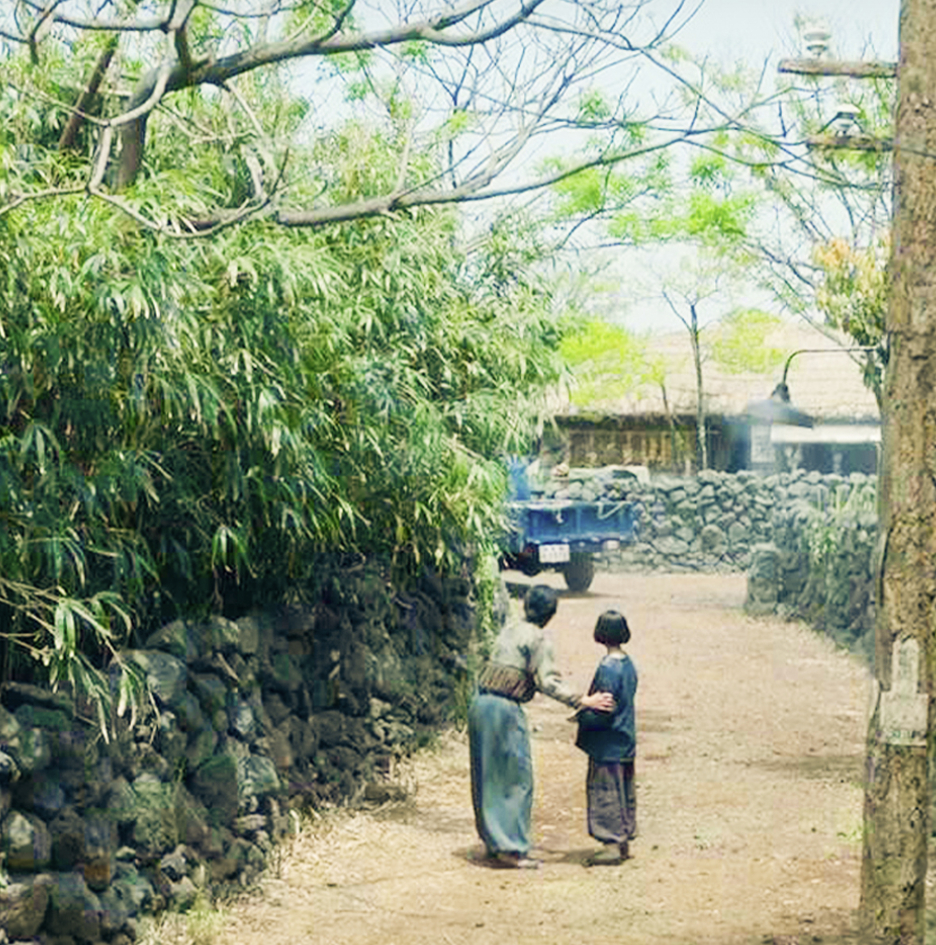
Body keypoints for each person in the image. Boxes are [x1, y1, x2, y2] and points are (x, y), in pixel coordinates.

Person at [468, 584, 614, 869]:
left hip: (480, 704)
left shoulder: (509, 629)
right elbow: (547, 681)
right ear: (550, 614)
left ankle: (493, 843)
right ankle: (511, 848)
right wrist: (582, 700)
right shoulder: (537, 639)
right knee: (515, 778)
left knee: (487, 776)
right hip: (505, 709)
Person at [575, 608, 638, 866]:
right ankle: (623, 838)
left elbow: (604, 706)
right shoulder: (628, 664)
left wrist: (581, 716)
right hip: (625, 735)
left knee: (605, 790)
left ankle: (610, 842)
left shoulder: (607, 668)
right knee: (623, 788)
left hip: (607, 740)